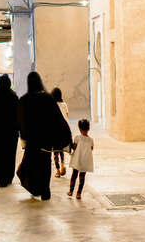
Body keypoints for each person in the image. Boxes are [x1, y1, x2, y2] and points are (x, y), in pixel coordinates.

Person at [16, 72, 72, 200]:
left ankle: (35, 188)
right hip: (45, 140)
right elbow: (58, 118)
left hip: (32, 141)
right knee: (45, 165)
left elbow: (20, 120)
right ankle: (46, 191)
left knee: (31, 164)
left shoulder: (25, 100)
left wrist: (23, 136)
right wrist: (66, 135)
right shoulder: (48, 98)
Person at [67, 119, 94, 200]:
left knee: (74, 175)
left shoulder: (77, 138)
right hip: (85, 162)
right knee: (82, 178)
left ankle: (71, 191)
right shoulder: (90, 140)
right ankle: (79, 193)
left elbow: (74, 147)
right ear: (89, 129)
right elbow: (91, 149)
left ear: (79, 128)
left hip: (77, 161)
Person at [50, 87, 69, 178]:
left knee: (55, 151)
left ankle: (57, 170)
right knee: (61, 149)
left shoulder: (51, 105)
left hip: (55, 130)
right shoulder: (64, 105)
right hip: (64, 129)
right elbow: (66, 116)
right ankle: (62, 164)